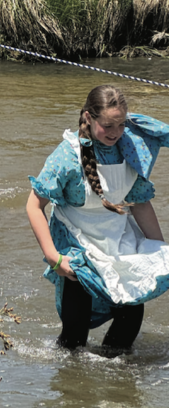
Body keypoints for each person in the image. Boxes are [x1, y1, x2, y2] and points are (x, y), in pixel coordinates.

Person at [26, 85, 169, 352]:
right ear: (88, 118)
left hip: (119, 241)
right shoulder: (67, 156)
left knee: (129, 323)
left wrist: (158, 251)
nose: (115, 132)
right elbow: (34, 205)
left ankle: (116, 373)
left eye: (121, 124)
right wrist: (53, 258)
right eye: (108, 125)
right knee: (74, 342)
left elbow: (139, 203)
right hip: (77, 246)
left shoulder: (128, 149)